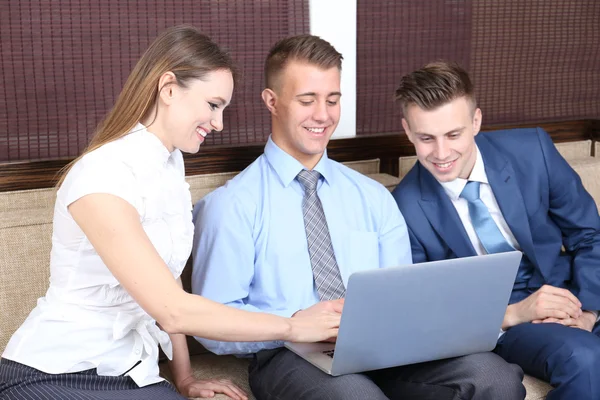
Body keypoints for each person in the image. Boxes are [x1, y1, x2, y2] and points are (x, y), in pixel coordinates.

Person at [0, 26, 341, 400]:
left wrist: (185, 378)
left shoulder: (170, 165)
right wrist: (292, 328)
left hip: (133, 372)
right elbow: (174, 310)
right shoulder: (101, 175)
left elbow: (169, 284)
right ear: (168, 89)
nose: (218, 123)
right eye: (213, 105)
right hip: (56, 370)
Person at [191, 35, 525, 400]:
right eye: (307, 100)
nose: (323, 114)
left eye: (332, 100)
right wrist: (292, 326)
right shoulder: (232, 205)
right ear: (272, 101)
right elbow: (211, 325)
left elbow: (403, 295)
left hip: (386, 348)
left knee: (493, 376)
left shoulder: (373, 197)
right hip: (288, 353)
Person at [392, 61, 600, 400]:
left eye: (453, 134)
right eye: (426, 138)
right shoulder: (404, 207)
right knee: (585, 358)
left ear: (476, 121)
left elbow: (589, 233)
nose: (442, 153)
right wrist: (516, 314)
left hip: (573, 291)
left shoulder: (533, 151)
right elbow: (427, 308)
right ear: (407, 131)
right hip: (505, 318)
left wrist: (588, 310)